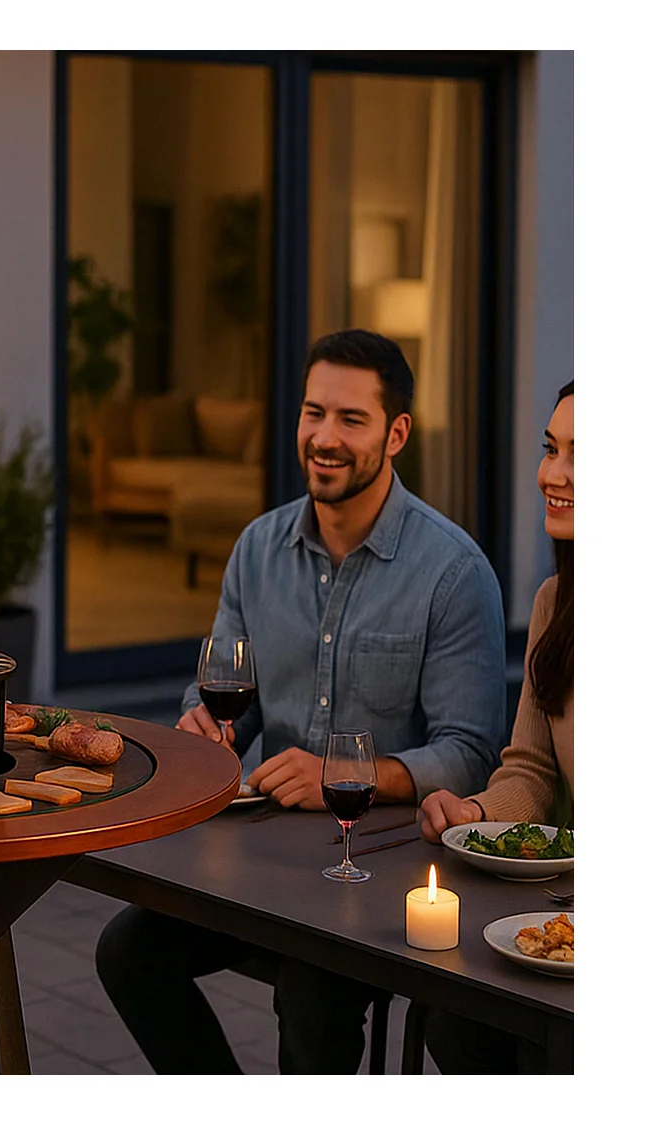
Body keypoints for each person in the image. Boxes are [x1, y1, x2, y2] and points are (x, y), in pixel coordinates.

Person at [95, 328, 507, 1073]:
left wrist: (346, 776)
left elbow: (471, 752)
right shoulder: (257, 548)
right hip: (268, 860)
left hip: (386, 872)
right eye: (314, 412)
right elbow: (227, 699)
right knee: (127, 954)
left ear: (397, 432)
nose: (324, 436)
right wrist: (205, 726)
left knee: (311, 991)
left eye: (351, 419)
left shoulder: (453, 573)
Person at [417, 381, 573, 1074]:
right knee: (456, 1016)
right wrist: (475, 813)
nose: (553, 473)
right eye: (551, 449)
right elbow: (533, 770)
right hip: (566, 917)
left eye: (582, 456)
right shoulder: (556, 604)